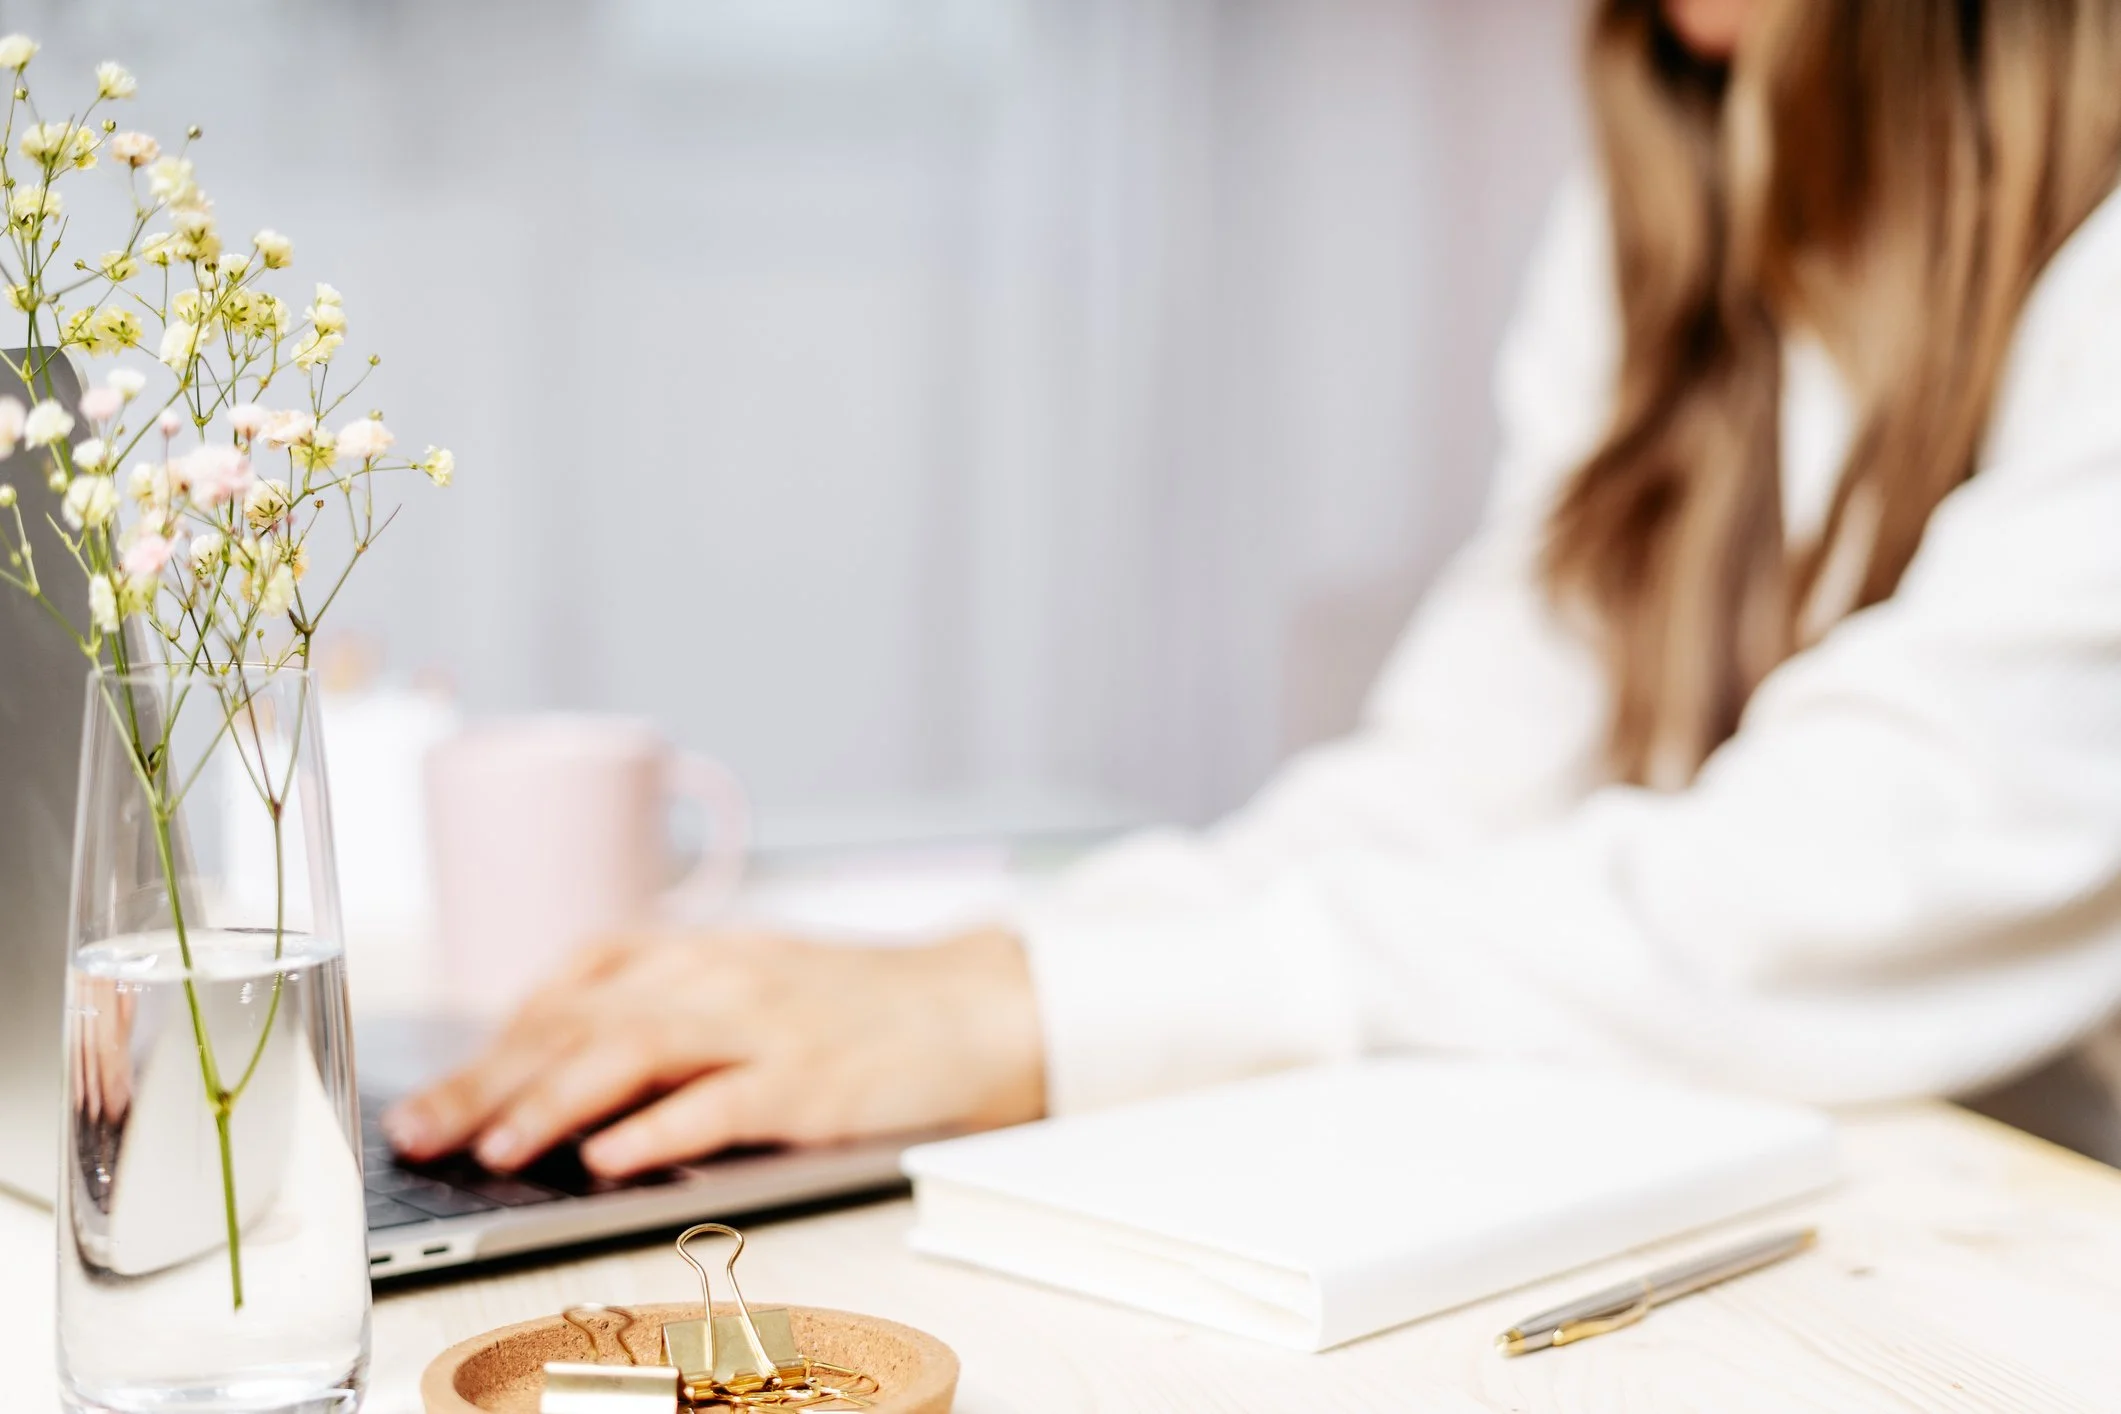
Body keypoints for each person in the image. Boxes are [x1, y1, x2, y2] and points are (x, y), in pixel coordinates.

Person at [385, 0, 2121, 1179]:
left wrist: (1040, 1015)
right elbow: (1461, 771)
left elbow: (1843, 874)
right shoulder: (1678, 162)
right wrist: (995, 972)